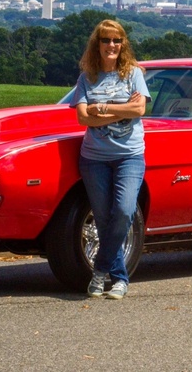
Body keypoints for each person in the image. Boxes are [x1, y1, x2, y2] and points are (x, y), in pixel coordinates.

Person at [68, 20, 150, 299]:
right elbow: (82, 117)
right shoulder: (86, 78)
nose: (111, 45)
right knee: (103, 220)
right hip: (94, 158)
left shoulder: (133, 73)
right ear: (97, 44)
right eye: (106, 40)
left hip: (129, 156)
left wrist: (101, 108)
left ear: (123, 44)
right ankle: (120, 280)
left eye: (117, 40)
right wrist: (122, 110)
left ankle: (100, 270)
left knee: (125, 212)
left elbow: (139, 109)